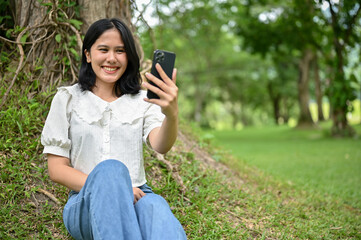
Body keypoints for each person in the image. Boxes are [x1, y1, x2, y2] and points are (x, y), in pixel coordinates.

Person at [41, 18, 187, 240]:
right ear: (88, 55)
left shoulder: (141, 100)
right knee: (111, 170)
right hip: (86, 200)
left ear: (128, 57)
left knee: (155, 205)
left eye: (120, 51)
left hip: (140, 196)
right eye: (103, 49)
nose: (112, 58)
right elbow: (57, 169)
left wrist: (171, 113)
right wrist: (116, 188)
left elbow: (161, 145)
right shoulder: (67, 99)